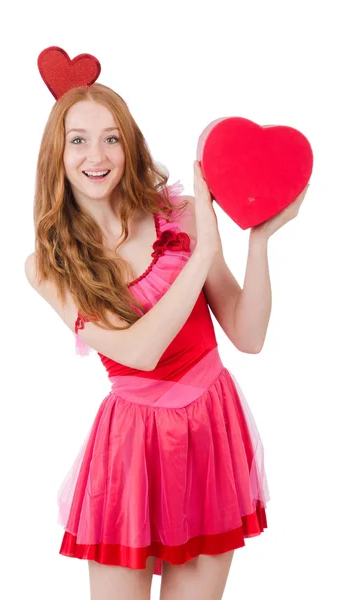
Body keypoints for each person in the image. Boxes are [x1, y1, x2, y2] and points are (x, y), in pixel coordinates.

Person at [25, 56, 308, 600]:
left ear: (129, 144)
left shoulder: (175, 215)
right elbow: (141, 351)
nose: (97, 155)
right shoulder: (49, 265)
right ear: (57, 155)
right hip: (129, 448)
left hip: (210, 432)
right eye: (78, 140)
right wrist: (204, 248)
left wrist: (258, 239)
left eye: (111, 138)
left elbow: (248, 336)